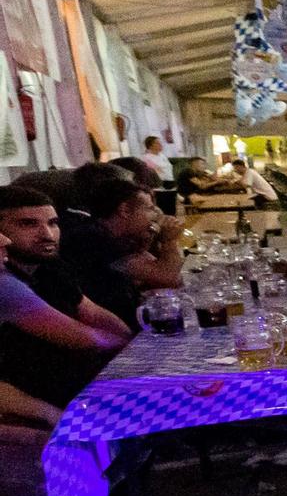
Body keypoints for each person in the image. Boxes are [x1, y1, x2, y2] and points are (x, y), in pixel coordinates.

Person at [0, 185, 132, 409]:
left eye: (53, 223)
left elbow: (96, 316)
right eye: (28, 224)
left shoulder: (50, 267)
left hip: (77, 384)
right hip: (34, 397)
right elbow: (85, 339)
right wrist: (136, 348)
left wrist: (133, 346)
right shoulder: (4, 284)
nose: (47, 235)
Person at [61, 165, 182, 328]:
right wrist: (169, 240)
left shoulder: (111, 235)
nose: (155, 215)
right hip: (115, 335)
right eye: (149, 209)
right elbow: (169, 278)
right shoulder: (92, 238)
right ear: (124, 210)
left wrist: (151, 231)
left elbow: (152, 267)